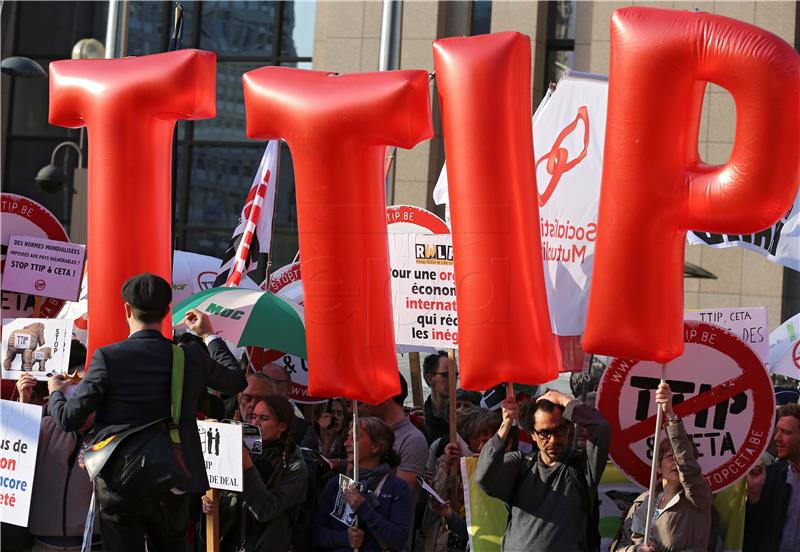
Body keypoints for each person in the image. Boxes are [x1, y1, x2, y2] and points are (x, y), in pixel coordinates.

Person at [46, 273, 247, 552]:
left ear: (127, 309)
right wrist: (209, 335)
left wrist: (55, 391)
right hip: (174, 476)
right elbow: (236, 381)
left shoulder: (109, 357)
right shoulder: (188, 355)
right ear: (167, 311)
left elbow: (69, 418)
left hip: (120, 479)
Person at [475, 388, 611, 551]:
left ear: (569, 429)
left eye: (559, 431)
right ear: (532, 434)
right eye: (544, 433)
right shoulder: (521, 464)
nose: (553, 440)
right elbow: (484, 477)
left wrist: (564, 400)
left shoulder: (583, 467)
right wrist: (505, 425)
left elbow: (600, 427)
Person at [611, 382, 713, 552]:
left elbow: (687, 465)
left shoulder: (698, 499)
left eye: (679, 457)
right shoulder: (642, 502)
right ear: (658, 467)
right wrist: (635, 550)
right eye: (669, 457)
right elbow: (618, 547)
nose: (676, 462)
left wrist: (671, 415)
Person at [201, 395, 308, 552]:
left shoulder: (295, 467)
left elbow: (266, 510)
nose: (255, 423)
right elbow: (230, 501)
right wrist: (211, 505)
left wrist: (248, 466)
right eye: (253, 416)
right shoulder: (242, 452)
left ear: (282, 426)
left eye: (264, 418)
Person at [312, 416, 413, 551]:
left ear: (376, 446)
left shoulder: (397, 488)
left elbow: (398, 540)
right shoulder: (336, 484)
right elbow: (315, 533)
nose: (346, 443)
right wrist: (343, 538)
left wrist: (363, 508)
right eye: (347, 437)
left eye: (355, 437)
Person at [743, 403, 800, 552]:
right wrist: (754, 497)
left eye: (786, 432)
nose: (777, 438)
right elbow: (754, 533)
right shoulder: (769, 476)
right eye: (777, 431)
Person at [262, 362, 319, 450]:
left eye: (272, 382)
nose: (266, 388)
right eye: (262, 382)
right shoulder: (246, 422)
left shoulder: (302, 431)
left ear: (289, 388)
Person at [423, 351, 451, 444]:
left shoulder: (462, 415)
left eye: (455, 375)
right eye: (446, 375)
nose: (453, 380)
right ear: (430, 378)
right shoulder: (421, 420)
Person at [318, 397, 349, 471]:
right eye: (331, 413)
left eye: (339, 414)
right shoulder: (310, 439)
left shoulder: (348, 441)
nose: (336, 417)